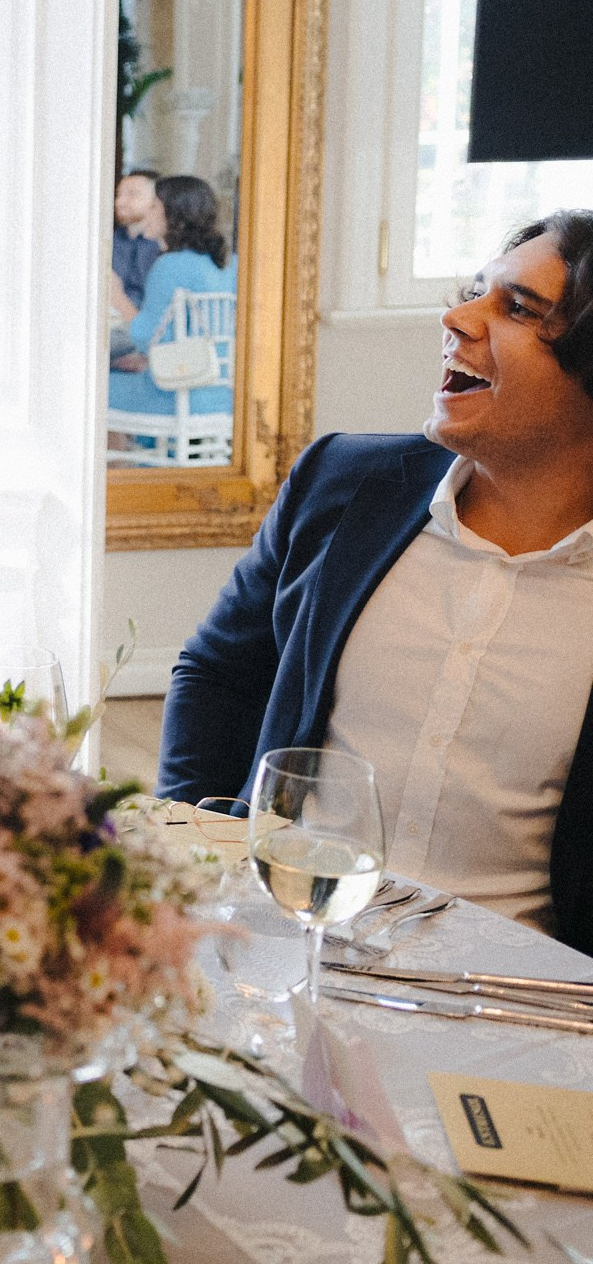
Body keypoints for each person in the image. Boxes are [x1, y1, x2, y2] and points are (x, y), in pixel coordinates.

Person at [160, 211, 593, 948]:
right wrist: (192, 863)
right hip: (294, 943)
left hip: (527, 1005)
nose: (456, 317)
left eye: (517, 308)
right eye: (475, 292)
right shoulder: (339, 483)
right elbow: (218, 672)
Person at [108, 173, 238, 417]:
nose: (148, 211)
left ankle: (127, 456)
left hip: (175, 391)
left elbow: (148, 336)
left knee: (88, 388)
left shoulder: (170, 265)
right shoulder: (228, 265)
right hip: (220, 393)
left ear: (174, 213)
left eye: (155, 205)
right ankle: (141, 455)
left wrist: (117, 296)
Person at [111, 169, 165, 319]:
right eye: (118, 195)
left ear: (157, 201)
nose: (120, 202)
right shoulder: (108, 242)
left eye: (132, 194)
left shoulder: (164, 245)